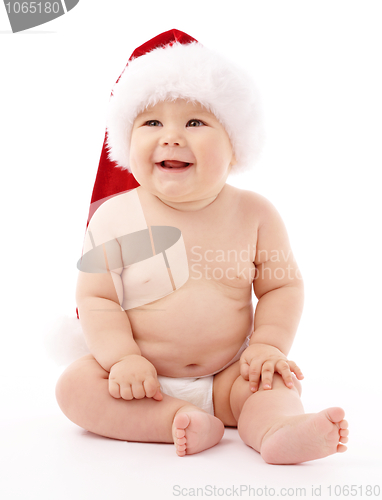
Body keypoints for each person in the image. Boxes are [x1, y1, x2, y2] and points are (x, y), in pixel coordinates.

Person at [55, 29, 349, 464]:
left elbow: (281, 288)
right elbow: (97, 298)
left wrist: (268, 346)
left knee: (274, 384)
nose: (171, 136)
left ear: (235, 146)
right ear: (125, 144)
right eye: (151, 122)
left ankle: (276, 430)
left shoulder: (254, 213)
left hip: (231, 372)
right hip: (142, 380)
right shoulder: (115, 218)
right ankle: (173, 420)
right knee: (76, 388)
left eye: (195, 122)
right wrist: (122, 359)